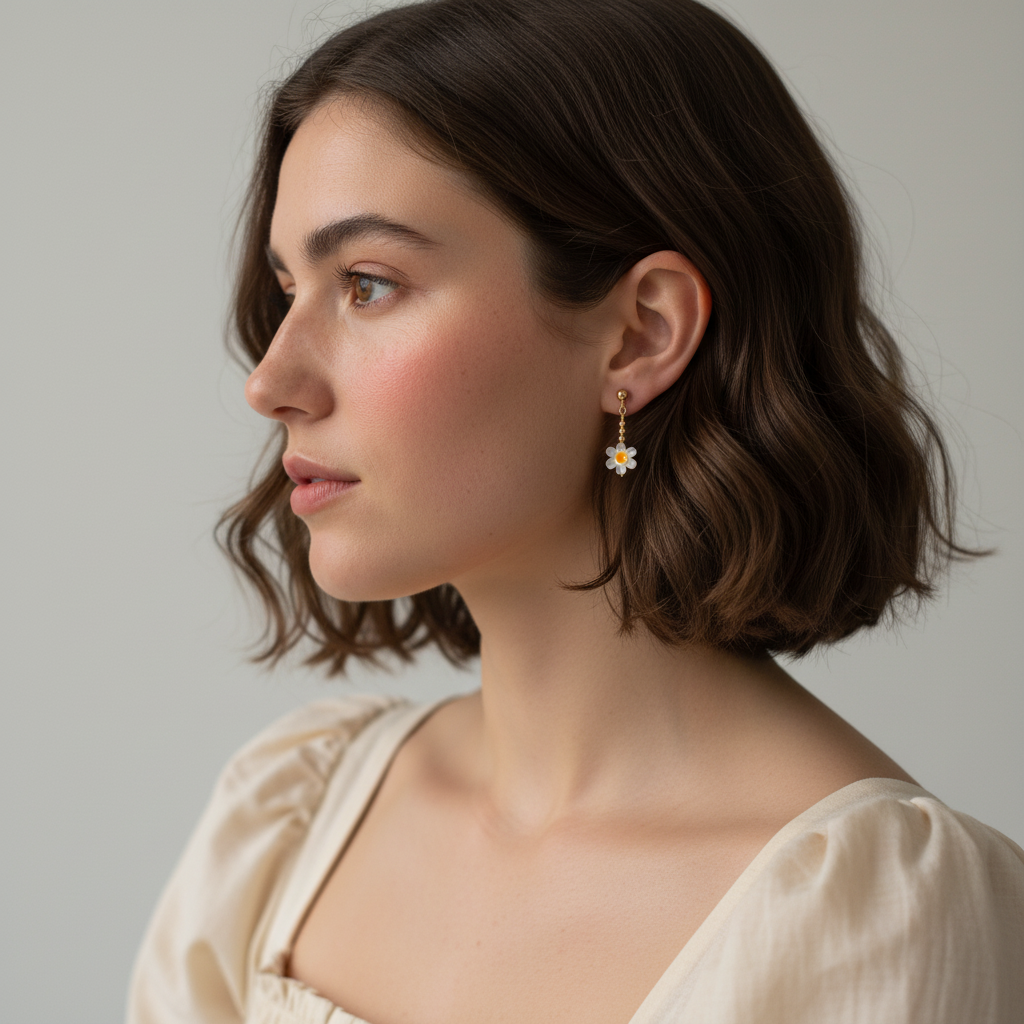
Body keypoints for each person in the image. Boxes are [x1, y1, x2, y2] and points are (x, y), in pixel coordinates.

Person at [126, 0, 1024, 1021]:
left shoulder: (880, 911)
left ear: (641, 334)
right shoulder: (285, 818)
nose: (272, 379)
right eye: (289, 287)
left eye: (367, 283)